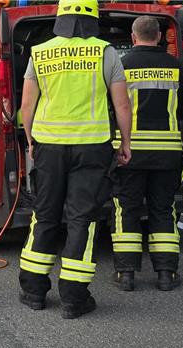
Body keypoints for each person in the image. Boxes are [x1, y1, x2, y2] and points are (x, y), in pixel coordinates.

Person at [19, 0, 132, 319]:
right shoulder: (105, 52)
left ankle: (33, 291)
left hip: (49, 147)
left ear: (60, 17)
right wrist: (126, 142)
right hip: (92, 147)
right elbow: (122, 105)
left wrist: (30, 140)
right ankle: (74, 297)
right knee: (82, 219)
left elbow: (27, 105)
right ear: (93, 19)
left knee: (45, 215)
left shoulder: (39, 52)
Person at [110, 16, 183, 292]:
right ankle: (166, 274)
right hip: (167, 153)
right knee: (163, 210)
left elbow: (110, 108)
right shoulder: (178, 68)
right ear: (159, 36)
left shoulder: (120, 68)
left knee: (127, 209)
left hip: (129, 152)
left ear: (134, 38)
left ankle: (126, 274)